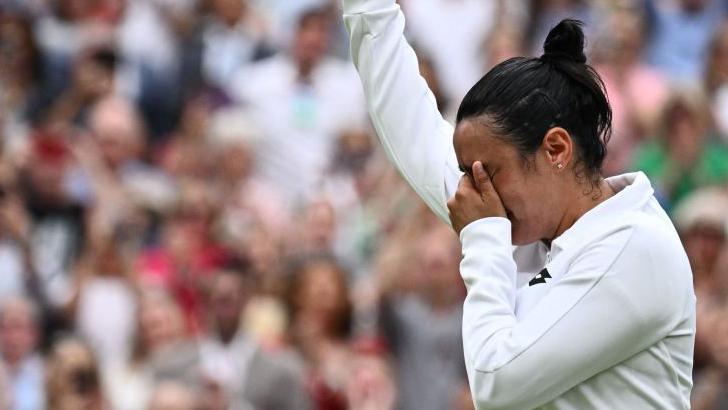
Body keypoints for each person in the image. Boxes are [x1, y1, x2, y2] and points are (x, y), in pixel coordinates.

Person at [343, 1, 695, 409]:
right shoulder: (527, 215)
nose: (477, 190)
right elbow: (413, 130)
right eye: (468, 173)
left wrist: (483, 240)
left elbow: (496, 383)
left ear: (556, 149)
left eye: (489, 172)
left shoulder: (636, 248)